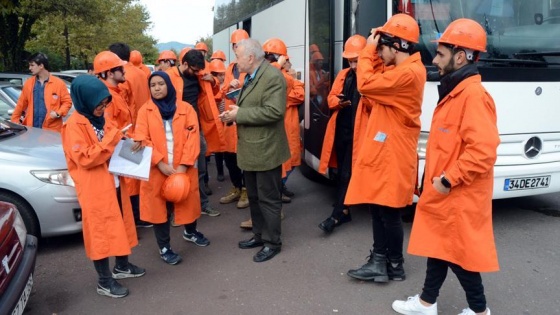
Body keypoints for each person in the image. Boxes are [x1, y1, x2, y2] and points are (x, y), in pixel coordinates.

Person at [392, 19, 499, 315]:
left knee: (456, 254)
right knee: (439, 247)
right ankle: (427, 302)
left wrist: (448, 180)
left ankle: (479, 311)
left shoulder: (472, 96)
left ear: (461, 56)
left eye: (440, 54)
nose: (435, 60)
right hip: (446, 191)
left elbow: (484, 150)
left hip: (457, 193)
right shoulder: (457, 91)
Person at [344, 14, 426, 283]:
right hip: (387, 148)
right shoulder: (400, 69)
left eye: (382, 46)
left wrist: (368, 49)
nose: (378, 51)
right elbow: (375, 76)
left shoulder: (408, 73)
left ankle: (391, 263)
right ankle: (384, 261)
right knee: (380, 208)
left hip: (393, 151)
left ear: (398, 45)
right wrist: (377, 47)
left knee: (388, 210)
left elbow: (366, 83)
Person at [61, 75, 145, 298]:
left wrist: (132, 141)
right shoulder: (73, 126)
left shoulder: (101, 119)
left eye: (105, 103)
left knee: (120, 226)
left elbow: (116, 136)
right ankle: (104, 282)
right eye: (98, 104)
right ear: (85, 100)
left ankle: (122, 266)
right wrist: (113, 138)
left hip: (114, 182)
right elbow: (86, 158)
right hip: (95, 189)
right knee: (100, 233)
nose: (102, 108)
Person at [220, 38, 290, 263]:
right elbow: (250, 106)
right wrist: (233, 115)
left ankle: (272, 242)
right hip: (251, 149)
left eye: (238, 56)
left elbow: (274, 112)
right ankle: (259, 235)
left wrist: (238, 115)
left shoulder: (272, 77)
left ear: (250, 58)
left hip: (266, 149)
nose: (235, 61)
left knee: (268, 198)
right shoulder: (250, 76)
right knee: (254, 196)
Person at [133, 71, 202, 264]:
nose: (156, 88)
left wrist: (182, 167)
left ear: (169, 85)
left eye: (161, 84)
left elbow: (193, 138)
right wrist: (160, 163)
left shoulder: (186, 108)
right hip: (157, 170)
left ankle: (191, 231)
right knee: (159, 210)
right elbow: (141, 139)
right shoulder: (144, 111)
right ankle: (164, 247)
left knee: (187, 199)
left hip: (183, 167)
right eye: (153, 85)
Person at [166, 49, 224, 224]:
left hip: (195, 128)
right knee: (177, 170)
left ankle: (203, 204)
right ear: (184, 64)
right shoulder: (168, 77)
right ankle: (176, 210)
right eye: (194, 70)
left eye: (200, 70)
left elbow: (214, 88)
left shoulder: (200, 74)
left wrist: (212, 79)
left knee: (200, 167)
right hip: (174, 131)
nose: (198, 73)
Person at [317, 34, 367, 234]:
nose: (354, 65)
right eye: (351, 60)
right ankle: (344, 208)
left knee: (347, 172)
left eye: (357, 60)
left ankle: (337, 215)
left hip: (358, 133)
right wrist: (340, 102)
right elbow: (329, 99)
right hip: (341, 130)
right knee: (340, 172)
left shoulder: (371, 76)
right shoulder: (343, 75)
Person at [109, 43, 152, 229]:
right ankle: (143, 214)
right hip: (144, 126)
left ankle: (135, 218)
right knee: (139, 175)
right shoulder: (141, 73)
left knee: (128, 180)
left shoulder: (122, 77)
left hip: (129, 130)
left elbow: (125, 106)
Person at [219, 29, 251, 215]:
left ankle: (246, 190)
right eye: (235, 45)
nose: (237, 48)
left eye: (240, 44)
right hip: (230, 119)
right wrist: (228, 86)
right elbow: (222, 92)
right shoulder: (230, 68)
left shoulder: (252, 65)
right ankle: (236, 187)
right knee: (230, 157)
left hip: (245, 117)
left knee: (245, 157)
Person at [11, 53, 72, 132]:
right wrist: (14, 122)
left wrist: (58, 113)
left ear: (41, 66)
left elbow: (67, 102)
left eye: (32, 65)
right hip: (32, 130)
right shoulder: (29, 83)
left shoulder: (58, 83)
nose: (30, 68)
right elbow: (21, 104)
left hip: (51, 130)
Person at [209, 59, 227, 182]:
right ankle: (220, 171)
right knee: (218, 149)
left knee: (226, 146)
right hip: (216, 120)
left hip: (226, 119)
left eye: (223, 75)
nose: (222, 77)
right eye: (220, 75)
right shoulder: (209, 87)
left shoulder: (226, 84)